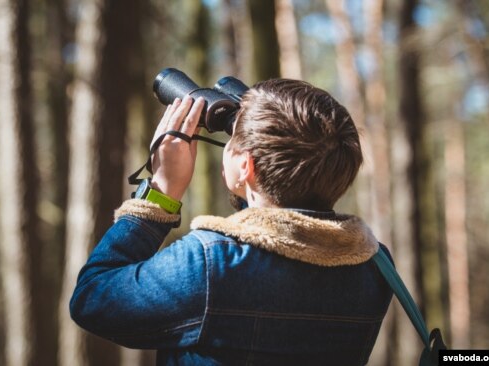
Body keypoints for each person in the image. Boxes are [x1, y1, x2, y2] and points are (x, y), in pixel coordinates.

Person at [70, 79, 393, 365]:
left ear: (245, 166)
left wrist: (162, 192)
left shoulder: (209, 263)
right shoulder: (375, 266)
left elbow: (92, 300)